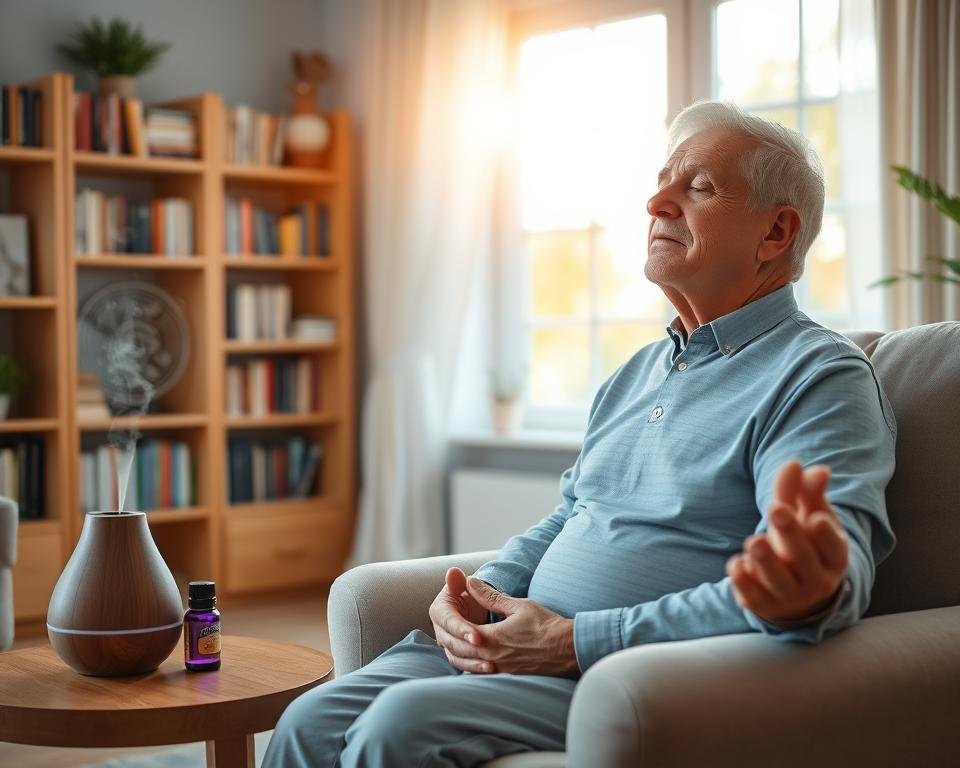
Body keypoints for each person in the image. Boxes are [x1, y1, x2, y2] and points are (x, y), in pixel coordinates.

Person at [262, 100, 896, 767]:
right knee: (306, 720)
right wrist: (481, 593)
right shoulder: (635, 373)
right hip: (517, 647)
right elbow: (572, 512)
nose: (656, 201)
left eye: (698, 187)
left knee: (400, 723)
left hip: (617, 676)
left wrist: (577, 639)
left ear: (775, 233)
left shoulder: (818, 375)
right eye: (662, 181)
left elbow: (833, 570)